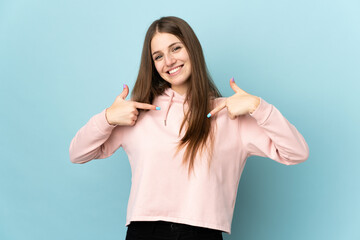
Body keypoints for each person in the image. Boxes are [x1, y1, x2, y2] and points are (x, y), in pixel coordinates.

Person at [69, 16, 309, 240]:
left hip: (203, 233)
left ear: (192, 49)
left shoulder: (229, 114)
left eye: (175, 48)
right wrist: (108, 118)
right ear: (152, 65)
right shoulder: (137, 114)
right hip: (145, 231)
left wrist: (259, 107)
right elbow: (77, 153)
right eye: (158, 56)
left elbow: (297, 152)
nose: (169, 61)